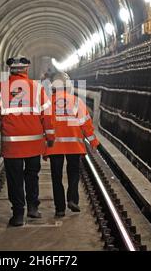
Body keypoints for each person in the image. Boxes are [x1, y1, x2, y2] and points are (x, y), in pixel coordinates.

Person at [0, 56, 55, 227]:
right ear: (27, 70)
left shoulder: (1, 88)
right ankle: (32, 208)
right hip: (33, 144)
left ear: (10, 70)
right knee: (32, 175)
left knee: (14, 179)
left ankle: (17, 215)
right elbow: (48, 115)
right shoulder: (37, 88)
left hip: (12, 145)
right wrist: (50, 137)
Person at [44, 72, 100, 218]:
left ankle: (60, 209)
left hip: (54, 146)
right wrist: (93, 141)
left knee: (56, 177)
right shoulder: (76, 102)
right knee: (73, 173)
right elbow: (86, 124)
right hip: (74, 145)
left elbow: (43, 126)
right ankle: (72, 199)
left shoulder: (48, 103)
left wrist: (43, 148)